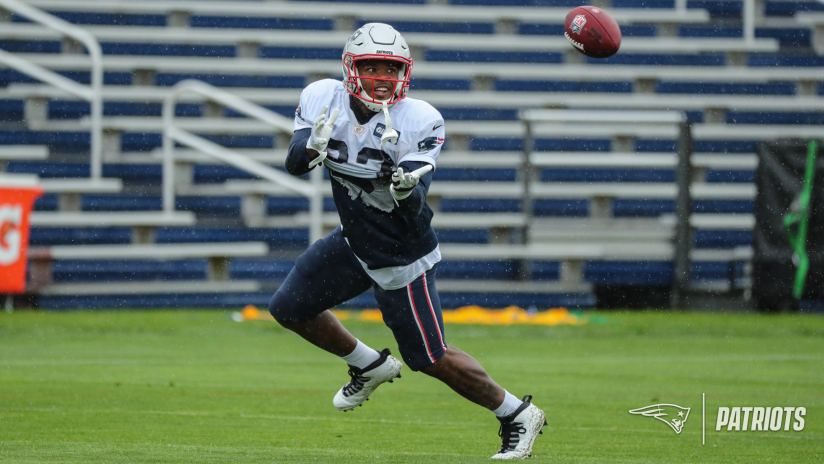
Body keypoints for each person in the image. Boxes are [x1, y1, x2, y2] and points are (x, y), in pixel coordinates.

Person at [269, 23, 546, 460]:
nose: (381, 77)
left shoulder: (419, 118)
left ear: (405, 72)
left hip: (401, 255)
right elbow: (294, 165)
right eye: (371, 66)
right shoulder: (322, 97)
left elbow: (415, 207)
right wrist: (310, 149)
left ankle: (517, 414)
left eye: (390, 68)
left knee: (430, 357)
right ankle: (369, 364)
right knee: (289, 307)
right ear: (350, 67)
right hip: (354, 241)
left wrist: (403, 189)